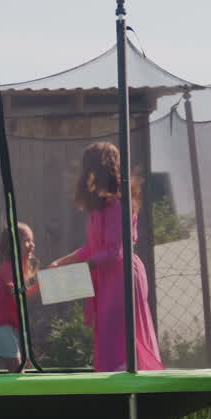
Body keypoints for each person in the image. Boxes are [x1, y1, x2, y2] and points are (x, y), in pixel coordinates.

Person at [48, 142, 163, 372]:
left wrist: (75, 271)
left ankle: (128, 392)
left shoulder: (118, 205)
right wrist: (62, 263)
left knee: (118, 339)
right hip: (106, 279)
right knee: (109, 339)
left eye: (89, 168)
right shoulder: (99, 207)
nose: (86, 175)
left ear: (99, 170)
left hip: (122, 280)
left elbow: (114, 252)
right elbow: (92, 248)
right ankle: (117, 388)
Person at [0, 221, 39, 373]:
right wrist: (41, 288)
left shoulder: (16, 268)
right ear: (13, 245)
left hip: (6, 327)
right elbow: (18, 297)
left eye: (32, 241)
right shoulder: (9, 268)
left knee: (20, 367)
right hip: (0, 327)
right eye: (26, 241)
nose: (31, 245)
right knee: (17, 371)